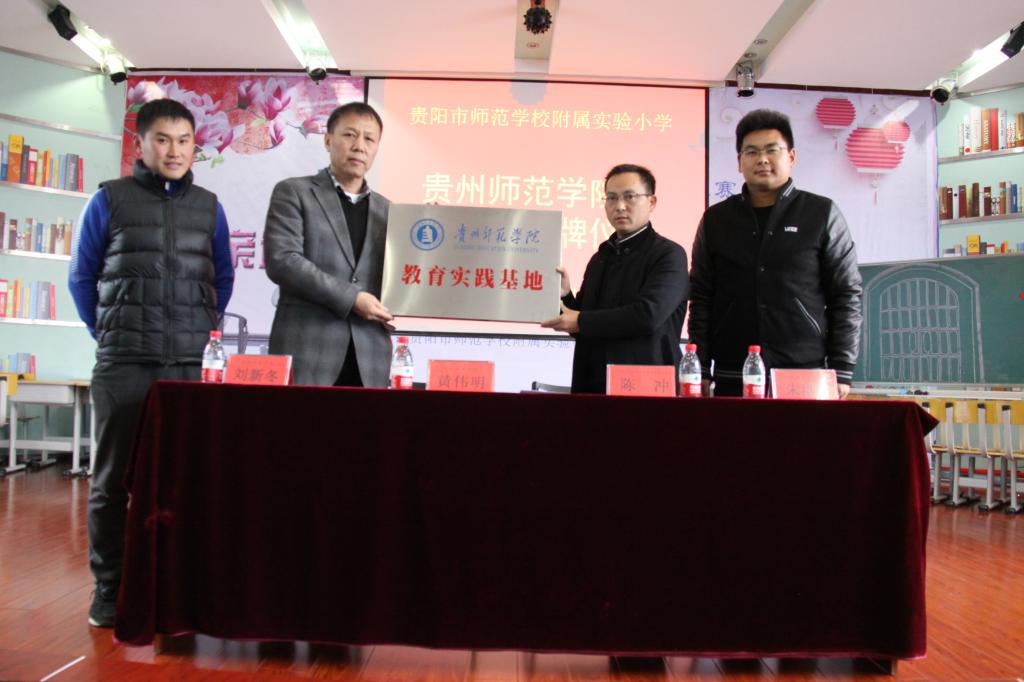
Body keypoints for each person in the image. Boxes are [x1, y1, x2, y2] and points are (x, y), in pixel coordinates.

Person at [68, 98, 235, 627]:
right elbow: (82, 278)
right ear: (140, 144)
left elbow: (222, 278)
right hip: (124, 365)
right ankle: (110, 589)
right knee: (112, 483)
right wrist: (109, 333)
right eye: (162, 139)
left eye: (184, 141)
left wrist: (195, 330)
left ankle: (176, 586)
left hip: (188, 365)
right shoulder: (108, 199)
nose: (174, 150)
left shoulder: (209, 206)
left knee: (186, 480)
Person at [689, 109, 862, 398]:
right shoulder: (716, 219)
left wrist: (842, 368)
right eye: (752, 152)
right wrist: (700, 367)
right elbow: (701, 297)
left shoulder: (821, 213)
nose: (762, 159)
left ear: (791, 157)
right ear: (739, 162)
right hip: (733, 371)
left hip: (803, 371)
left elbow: (846, 294)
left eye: (772, 150)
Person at [264, 102, 393, 387]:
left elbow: (402, 278)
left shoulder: (389, 212)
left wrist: (429, 236)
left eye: (369, 139)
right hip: (307, 351)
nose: (359, 146)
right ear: (327, 140)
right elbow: (283, 261)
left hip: (369, 359)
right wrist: (352, 298)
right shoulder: (294, 192)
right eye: (349, 135)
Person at [542, 164, 689, 393]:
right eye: (611, 198)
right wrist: (565, 296)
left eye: (630, 197)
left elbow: (647, 315)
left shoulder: (669, 254)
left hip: (646, 387)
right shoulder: (601, 256)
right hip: (593, 383)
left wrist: (580, 320)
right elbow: (584, 321)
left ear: (652, 202)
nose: (619, 206)